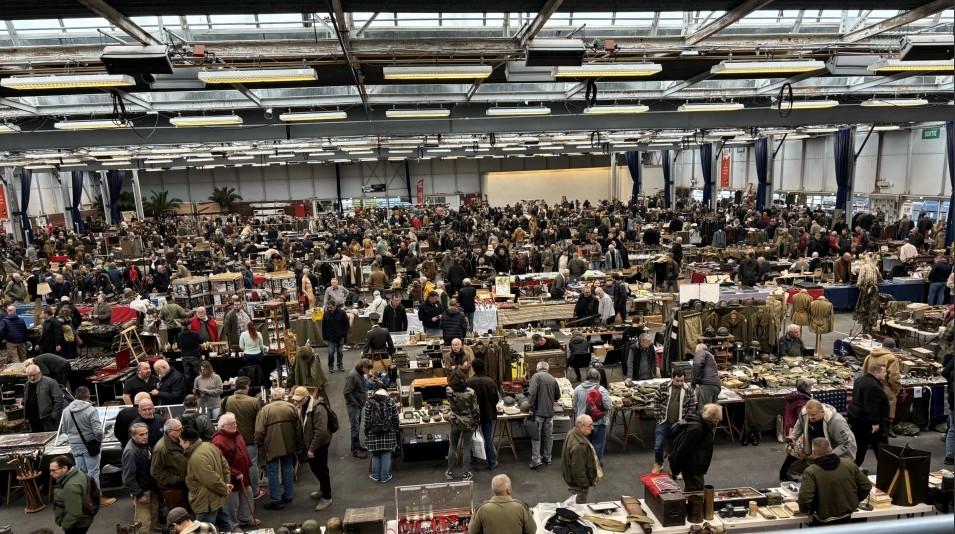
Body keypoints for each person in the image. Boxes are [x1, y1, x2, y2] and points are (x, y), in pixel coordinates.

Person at [60, 386, 116, 506]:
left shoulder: (66, 410)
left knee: (82, 473)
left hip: (74, 446)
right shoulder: (91, 410)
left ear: (76, 395)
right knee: (93, 472)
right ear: (88, 395)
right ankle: (97, 498)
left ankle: (86, 499)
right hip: (90, 445)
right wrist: (99, 441)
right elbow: (98, 431)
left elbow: (64, 429)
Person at [798, 438, 872, 525]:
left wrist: (807, 511)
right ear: (831, 449)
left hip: (822, 520)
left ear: (814, 452)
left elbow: (804, 499)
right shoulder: (849, 464)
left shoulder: (811, 471)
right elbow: (866, 486)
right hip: (846, 517)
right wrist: (854, 500)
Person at [781, 399, 857, 482]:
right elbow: (799, 425)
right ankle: (786, 474)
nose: (810, 418)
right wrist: (793, 437)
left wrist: (830, 456)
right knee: (795, 449)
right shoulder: (805, 413)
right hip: (818, 443)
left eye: (813, 415)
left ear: (822, 412)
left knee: (833, 471)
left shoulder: (837, 421)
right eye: (809, 414)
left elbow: (846, 443)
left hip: (838, 448)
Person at [255, 387, 304, 510]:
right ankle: (288, 495)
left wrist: (258, 443)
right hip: (289, 444)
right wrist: (299, 445)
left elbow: (259, 431)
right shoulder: (291, 407)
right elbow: (298, 428)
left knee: (272, 471)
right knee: (287, 468)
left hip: (271, 445)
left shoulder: (265, 410)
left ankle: (275, 499)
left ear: (272, 397)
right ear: (283, 396)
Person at [180, 427, 233, 533]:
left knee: (204, 531)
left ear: (187, 442)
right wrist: (226, 484)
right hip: (217, 499)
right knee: (226, 528)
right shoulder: (209, 445)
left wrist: (224, 488)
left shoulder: (196, 458)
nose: (179, 443)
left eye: (181, 441)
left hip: (206, 502)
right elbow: (225, 465)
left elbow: (211, 480)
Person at [211, 412, 259, 529]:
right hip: (231, 479)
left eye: (235, 423)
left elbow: (243, 451)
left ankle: (246, 518)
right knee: (232, 504)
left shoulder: (237, 434)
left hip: (243, 475)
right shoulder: (218, 441)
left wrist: (247, 464)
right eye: (232, 424)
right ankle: (232, 525)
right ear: (223, 426)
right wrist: (235, 473)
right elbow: (221, 463)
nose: (235, 425)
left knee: (247, 496)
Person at [220, 376, 264, 500]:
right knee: (252, 465)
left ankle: (236, 490)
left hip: (230, 441)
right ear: (247, 387)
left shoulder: (225, 400)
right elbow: (260, 422)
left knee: (232, 466)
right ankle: (254, 491)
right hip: (249, 441)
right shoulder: (254, 402)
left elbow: (220, 419)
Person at [668, 403, 723, 491]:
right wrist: (676, 468)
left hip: (695, 465)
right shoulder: (698, 429)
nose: (718, 422)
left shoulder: (702, 425)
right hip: (692, 467)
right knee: (695, 492)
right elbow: (683, 450)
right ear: (714, 418)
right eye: (718, 419)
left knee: (694, 490)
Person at [652, 369, 697, 474]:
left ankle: (677, 468)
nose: (680, 383)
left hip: (679, 424)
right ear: (672, 378)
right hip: (663, 421)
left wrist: (685, 422)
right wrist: (658, 416)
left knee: (677, 448)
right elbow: (656, 400)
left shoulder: (689, 390)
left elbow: (692, 408)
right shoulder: (663, 387)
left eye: (682, 381)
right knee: (658, 445)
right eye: (677, 380)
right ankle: (658, 463)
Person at [297, 388, 333, 509]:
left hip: (320, 444)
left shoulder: (318, 409)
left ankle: (327, 497)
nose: (297, 402)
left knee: (321, 469)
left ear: (306, 397)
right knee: (315, 468)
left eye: (299, 400)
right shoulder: (305, 407)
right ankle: (323, 489)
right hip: (313, 443)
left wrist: (312, 449)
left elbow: (321, 432)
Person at [847, 362, 889, 466]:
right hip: (868, 422)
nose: (886, 374)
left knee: (859, 447)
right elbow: (871, 405)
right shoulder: (873, 386)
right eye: (884, 372)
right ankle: (886, 470)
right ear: (876, 372)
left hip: (857, 418)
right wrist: (875, 423)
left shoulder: (860, 380)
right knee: (880, 448)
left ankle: (853, 469)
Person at [468, 474, 536, 534]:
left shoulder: (481, 509)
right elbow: (532, 530)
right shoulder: (521, 507)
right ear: (508, 489)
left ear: (493, 490)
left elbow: (472, 531)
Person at [861, 338, 902, 435]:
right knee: (887, 410)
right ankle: (886, 429)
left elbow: (864, 371)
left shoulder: (870, 355)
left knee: (872, 407)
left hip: (870, 386)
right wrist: (896, 390)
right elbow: (894, 377)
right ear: (892, 348)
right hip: (885, 388)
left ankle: (872, 429)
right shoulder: (891, 358)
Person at [123, 423, 158, 534]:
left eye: (146, 433)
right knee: (143, 522)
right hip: (142, 490)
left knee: (152, 517)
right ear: (133, 436)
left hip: (150, 487)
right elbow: (128, 478)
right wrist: (139, 494)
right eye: (141, 434)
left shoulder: (143, 445)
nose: (145, 436)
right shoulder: (131, 452)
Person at [445, 369, 479, 481]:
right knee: (466, 448)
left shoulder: (449, 391)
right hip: (468, 422)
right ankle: (466, 474)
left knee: (452, 446)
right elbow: (475, 409)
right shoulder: (471, 392)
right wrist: (476, 421)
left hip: (455, 421)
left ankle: (450, 472)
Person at [571, 368, 612, 459]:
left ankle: (584, 463)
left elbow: (574, 406)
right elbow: (608, 406)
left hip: (583, 423)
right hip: (599, 422)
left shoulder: (578, 389)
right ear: (598, 378)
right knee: (598, 444)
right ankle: (595, 464)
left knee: (583, 445)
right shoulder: (602, 390)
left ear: (587, 377)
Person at [561, 414, 601, 504]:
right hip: (579, 485)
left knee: (574, 502)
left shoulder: (572, 432)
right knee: (579, 506)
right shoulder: (579, 446)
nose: (592, 428)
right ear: (581, 426)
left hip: (572, 479)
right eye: (589, 425)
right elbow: (578, 470)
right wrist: (585, 485)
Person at [467, 359, 499, 471]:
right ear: (484, 367)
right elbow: (496, 398)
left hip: (473, 415)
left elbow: (467, 399)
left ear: (473, 368)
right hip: (487, 413)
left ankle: (473, 462)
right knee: (487, 438)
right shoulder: (490, 382)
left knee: (472, 438)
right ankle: (492, 462)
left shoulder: (468, 382)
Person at [527, 361, 560, 470]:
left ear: (538, 369)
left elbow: (532, 393)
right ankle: (548, 457)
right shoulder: (552, 378)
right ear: (547, 369)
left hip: (538, 412)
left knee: (536, 436)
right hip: (549, 413)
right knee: (548, 436)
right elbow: (557, 396)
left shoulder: (536, 377)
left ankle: (536, 460)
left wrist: (530, 407)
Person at [50, 455, 96, 534]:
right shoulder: (78, 472)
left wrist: (65, 526)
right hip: (86, 516)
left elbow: (74, 513)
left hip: (77, 525)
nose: (51, 473)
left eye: (53, 470)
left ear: (65, 468)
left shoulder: (70, 487)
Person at [151, 418, 189, 512]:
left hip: (184, 485)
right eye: (178, 430)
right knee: (178, 514)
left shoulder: (179, 440)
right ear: (169, 432)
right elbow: (155, 472)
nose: (182, 431)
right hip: (172, 488)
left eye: (182, 428)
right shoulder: (161, 449)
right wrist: (176, 479)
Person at [363, 388, 399, 483]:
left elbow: (366, 420)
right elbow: (395, 417)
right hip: (388, 432)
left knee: (375, 454)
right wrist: (396, 428)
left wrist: (366, 431)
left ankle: (376, 476)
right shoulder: (390, 402)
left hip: (373, 433)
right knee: (386, 453)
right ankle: (385, 477)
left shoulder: (368, 403)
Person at [344, 359, 372, 459]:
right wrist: (355, 403)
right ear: (362, 367)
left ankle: (357, 446)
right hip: (354, 406)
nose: (368, 371)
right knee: (355, 428)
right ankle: (355, 450)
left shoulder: (360, 374)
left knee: (357, 426)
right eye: (367, 369)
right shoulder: (352, 376)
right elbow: (346, 392)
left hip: (358, 405)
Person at [25, 364, 63, 432]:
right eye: (29, 376)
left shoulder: (50, 382)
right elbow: (26, 398)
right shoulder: (27, 384)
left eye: (34, 375)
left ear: (40, 373)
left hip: (47, 419)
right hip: (32, 419)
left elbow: (59, 400)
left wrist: (54, 416)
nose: (32, 378)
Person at [322, 301, 349, 373]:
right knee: (331, 352)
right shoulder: (326, 314)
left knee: (340, 352)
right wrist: (324, 337)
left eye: (331, 307)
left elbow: (347, 324)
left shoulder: (342, 313)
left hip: (340, 336)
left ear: (335, 306)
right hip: (330, 337)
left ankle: (340, 366)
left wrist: (343, 333)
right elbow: (323, 326)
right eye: (328, 307)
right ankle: (331, 367)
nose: (329, 309)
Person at [177, 319, 203, 388]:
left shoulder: (179, 335)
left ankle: (188, 388)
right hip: (195, 355)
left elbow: (179, 346)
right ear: (189, 325)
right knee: (198, 373)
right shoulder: (195, 334)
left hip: (185, 356)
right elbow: (201, 341)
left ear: (182, 326)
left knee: (187, 374)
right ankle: (199, 387)